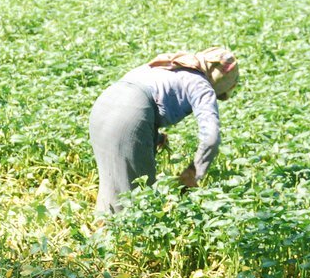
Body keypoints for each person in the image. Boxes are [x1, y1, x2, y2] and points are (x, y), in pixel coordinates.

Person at [89, 47, 240, 214]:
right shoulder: (200, 84)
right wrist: (193, 173)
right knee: (136, 202)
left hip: (101, 107)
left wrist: (154, 136)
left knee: (112, 183)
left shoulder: (170, 64)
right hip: (129, 115)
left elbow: (127, 104)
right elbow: (211, 138)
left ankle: (102, 226)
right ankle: (118, 230)